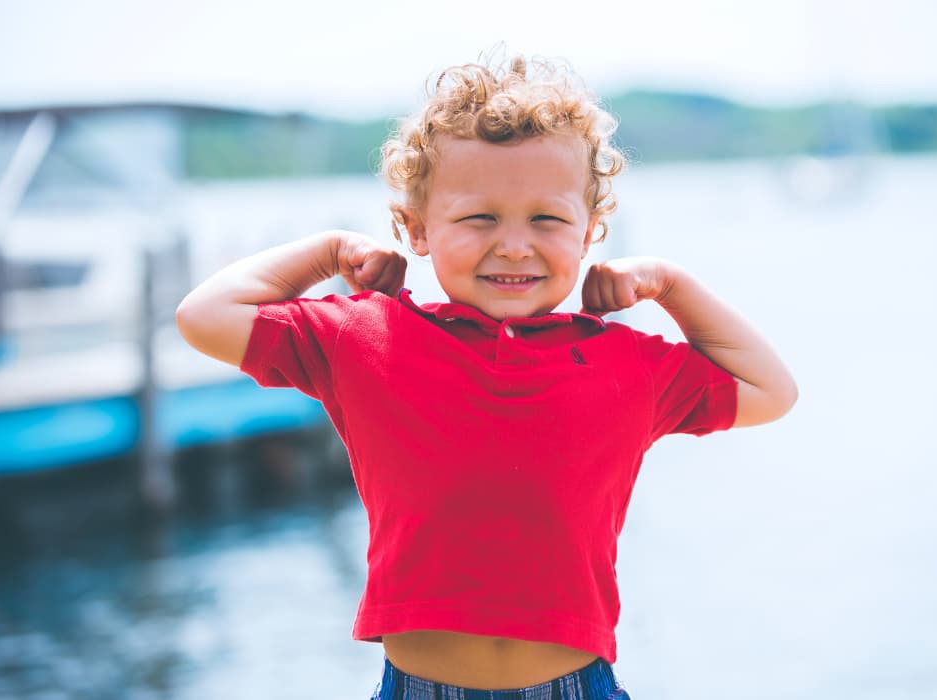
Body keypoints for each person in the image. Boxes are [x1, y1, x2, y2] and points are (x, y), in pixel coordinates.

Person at [176, 53, 797, 699]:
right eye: (479, 218)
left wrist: (673, 285)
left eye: (547, 220)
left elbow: (771, 392)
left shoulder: (625, 361)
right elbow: (204, 316)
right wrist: (328, 249)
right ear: (417, 229)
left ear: (589, 234)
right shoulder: (366, 338)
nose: (515, 244)